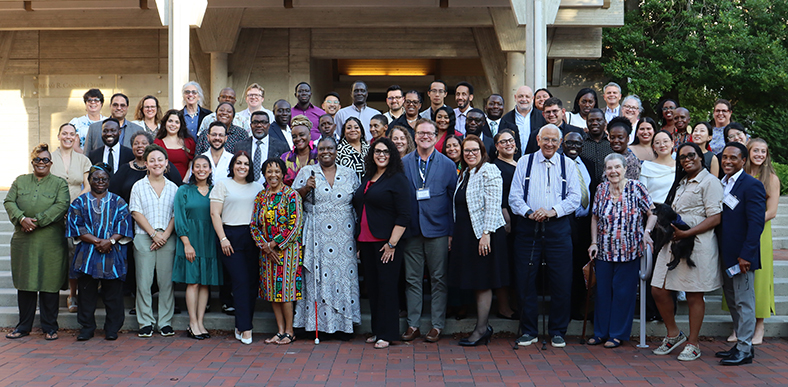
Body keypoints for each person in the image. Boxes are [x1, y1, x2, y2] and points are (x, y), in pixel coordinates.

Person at [508, 124, 581, 348]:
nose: (550, 144)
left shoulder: (567, 164)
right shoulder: (524, 162)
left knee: (561, 280)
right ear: (538, 139)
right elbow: (514, 197)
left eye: (554, 141)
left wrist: (552, 211)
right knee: (525, 279)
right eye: (546, 139)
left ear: (560, 144)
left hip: (558, 228)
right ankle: (529, 330)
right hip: (528, 227)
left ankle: (558, 331)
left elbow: (574, 198)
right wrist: (530, 213)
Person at [650, 142, 723, 361]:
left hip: (696, 244)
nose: (687, 159)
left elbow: (715, 217)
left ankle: (693, 342)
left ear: (701, 157)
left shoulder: (710, 182)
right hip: (673, 243)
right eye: (682, 157)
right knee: (658, 289)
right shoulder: (680, 183)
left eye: (691, 155)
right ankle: (673, 334)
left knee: (693, 294)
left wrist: (687, 233)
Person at [293, 136, 361, 339]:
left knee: (342, 277)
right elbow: (293, 199)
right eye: (322, 148)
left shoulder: (349, 174)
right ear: (317, 151)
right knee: (317, 278)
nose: (326, 152)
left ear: (336, 150)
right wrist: (306, 188)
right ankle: (317, 326)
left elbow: (358, 203)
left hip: (344, 235)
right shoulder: (307, 172)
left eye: (330, 148)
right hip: (316, 233)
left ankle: (343, 325)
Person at [588, 153, 656, 348]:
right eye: (609, 168)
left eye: (617, 167)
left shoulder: (637, 188)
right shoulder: (601, 190)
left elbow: (652, 213)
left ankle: (616, 334)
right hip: (604, 250)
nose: (613, 171)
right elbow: (594, 217)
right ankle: (600, 333)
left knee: (623, 293)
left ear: (625, 169)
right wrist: (593, 242)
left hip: (630, 250)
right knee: (602, 293)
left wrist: (646, 233)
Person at [3, 144, 70, 340]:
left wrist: (38, 221)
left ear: (51, 163)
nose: (41, 163)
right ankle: (23, 327)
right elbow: (9, 201)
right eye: (38, 160)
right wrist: (21, 218)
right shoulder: (20, 181)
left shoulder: (59, 183)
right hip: (24, 242)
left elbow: (62, 205)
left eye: (45, 160)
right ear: (32, 162)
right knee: (26, 284)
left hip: (51, 242)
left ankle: (50, 327)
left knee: (49, 284)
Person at [401, 119, 458, 343]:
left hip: (439, 230)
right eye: (421, 133)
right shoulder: (403, 163)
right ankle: (413, 325)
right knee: (412, 280)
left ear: (436, 137)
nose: (425, 137)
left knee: (439, 279)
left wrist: (451, 232)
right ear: (414, 137)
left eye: (429, 134)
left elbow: (453, 200)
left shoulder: (447, 164)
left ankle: (436, 325)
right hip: (412, 231)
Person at [352, 137, 412, 349]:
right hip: (366, 242)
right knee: (374, 288)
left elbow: (405, 214)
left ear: (392, 155)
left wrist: (392, 243)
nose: (381, 155)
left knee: (387, 288)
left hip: (387, 243)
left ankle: (388, 333)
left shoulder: (397, 179)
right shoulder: (369, 177)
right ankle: (377, 330)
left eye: (386, 152)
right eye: (377, 151)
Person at [451, 135, 507, 346]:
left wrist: (486, 234)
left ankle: (482, 329)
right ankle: (482, 327)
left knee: (483, 282)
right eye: (467, 151)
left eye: (475, 150)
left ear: (483, 152)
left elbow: (494, 204)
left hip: (485, 235)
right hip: (467, 234)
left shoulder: (489, 170)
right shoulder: (466, 172)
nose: (470, 154)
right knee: (476, 282)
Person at [67, 164, 133, 341]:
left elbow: (124, 224)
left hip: (112, 253)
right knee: (86, 294)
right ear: (89, 180)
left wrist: (110, 241)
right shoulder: (79, 202)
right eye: (96, 178)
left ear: (109, 181)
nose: (100, 182)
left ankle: (112, 329)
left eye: (104, 179)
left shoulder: (118, 201)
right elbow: (76, 226)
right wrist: (98, 241)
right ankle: (87, 328)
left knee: (113, 295)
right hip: (87, 254)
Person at [725, 139, 780, 345]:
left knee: (758, 280)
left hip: (759, 232)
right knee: (736, 282)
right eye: (755, 150)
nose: (759, 154)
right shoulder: (737, 176)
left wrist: (750, 221)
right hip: (737, 233)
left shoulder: (771, 178)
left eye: (763, 151)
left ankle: (759, 326)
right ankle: (738, 325)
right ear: (747, 153)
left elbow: (772, 211)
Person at [715, 142, 766, 366]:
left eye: (733, 158)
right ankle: (741, 343)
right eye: (725, 157)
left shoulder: (751, 185)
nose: (727, 161)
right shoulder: (721, 183)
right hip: (725, 255)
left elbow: (756, 224)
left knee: (745, 301)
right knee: (734, 301)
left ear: (743, 161)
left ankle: (745, 349)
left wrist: (746, 255)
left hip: (742, 257)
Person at [210, 151, 264, 344]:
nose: (242, 166)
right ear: (232, 165)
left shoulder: (258, 187)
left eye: (246, 164)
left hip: (253, 237)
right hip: (230, 236)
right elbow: (215, 214)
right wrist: (223, 238)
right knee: (240, 281)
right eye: (238, 163)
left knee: (251, 283)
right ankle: (245, 328)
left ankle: (241, 323)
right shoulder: (223, 184)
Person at [251, 158, 304, 345]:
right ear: (264, 174)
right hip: (266, 252)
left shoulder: (291, 195)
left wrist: (274, 244)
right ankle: (280, 331)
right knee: (272, 291)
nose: (273, 175)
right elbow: (254, 225)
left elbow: (295, 225)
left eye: (277, 171)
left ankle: (290, 331)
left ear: (283, 173)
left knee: (285, 291)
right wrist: (264, 246)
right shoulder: (260, 196)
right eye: (268, 171)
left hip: (287, 252)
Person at [129, 144, 179, 338]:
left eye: (160, 160)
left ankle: (165, 322)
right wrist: (153, 234)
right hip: (144, 237)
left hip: (167, 237)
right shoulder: (139, 186)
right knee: (143, 282)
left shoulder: (174, 187)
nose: (156, 163)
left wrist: (164, 235)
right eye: (152, 160)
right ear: (146, 164)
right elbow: (135, 211)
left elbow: (176, 214)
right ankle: (145, 322)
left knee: (166, 282)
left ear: (166, 163)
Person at [173, 156, 223, 340]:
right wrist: (186, 243)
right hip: (190, 239)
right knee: (192, 281)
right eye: (197, 167)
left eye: (205, 166)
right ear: (192, 170)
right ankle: (192, 322)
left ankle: (200, 322)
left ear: (210, 170)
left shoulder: (215, 191)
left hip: (209, 239)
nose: (201, 169)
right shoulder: (183, 191)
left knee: (204, 282)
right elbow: (179, 218)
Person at [51, 123, 92, 313]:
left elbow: (88, 186)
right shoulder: (49, 158)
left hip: (77, 213)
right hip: (53, 213)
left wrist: (74, 206)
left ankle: (73, 295)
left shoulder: (83, 160)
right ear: (58, 135)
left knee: (75, 253)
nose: (68, 136)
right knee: (58, 254)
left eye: (71, 134)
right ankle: (52, 291)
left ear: (76, 137)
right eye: (64, 133)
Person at [562, 131, 598, 321]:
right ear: (563, 144)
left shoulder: (589, 164)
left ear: (583, 145)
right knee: (565, 267)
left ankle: (578, 308)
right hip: (564, 222)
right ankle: (564, 310)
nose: (574, 146)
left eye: (578, 143)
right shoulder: (557, 164)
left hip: (585, 224)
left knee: (581, 266)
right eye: (570, 142)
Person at [491, 129, 519, 320]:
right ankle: (503, 307)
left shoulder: (521, 163)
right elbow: (497, 195)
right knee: (503, 263)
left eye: (511, 141)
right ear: (497, 147)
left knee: (516, 263)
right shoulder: (495, 167)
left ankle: (515, 303)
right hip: (505, 220)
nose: (508, 144)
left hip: (522, 219)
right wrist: (505, 217)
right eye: (503, 142)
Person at [236, 111, 291, 184]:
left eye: (263, 122)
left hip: (272, 190)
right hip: (245, 189)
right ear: (251, 125)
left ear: (268, 125)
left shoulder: (281, 146)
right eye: (255, 122)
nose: (259, 125)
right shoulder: (240, 146)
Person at [499, 86, 547, 158]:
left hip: (536, 160)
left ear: (532, 98)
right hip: (513, 162)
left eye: (527, 96)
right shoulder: (506, 119)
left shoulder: (542, 117)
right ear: (515, 98)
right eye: (520, 96)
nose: (524, 99)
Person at [154, 109, 195, 180]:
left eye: (177, 122)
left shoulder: (189, 142)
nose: (173, 124)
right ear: (165, 123)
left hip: (185, 184)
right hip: (164, 184)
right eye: (170, 121)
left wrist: (185, 181)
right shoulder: (158, 143)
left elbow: (192, 163)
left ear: (181, 125)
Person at [640, 130, 676, 203]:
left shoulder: (679, 166)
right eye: (657, 143)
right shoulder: (647, 166)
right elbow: (642, 194)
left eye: (665, 141)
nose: (662, 145)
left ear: (672, 143)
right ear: (654, 147)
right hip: (653, 209)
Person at [281, 115, 318, 186]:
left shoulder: (319, 155)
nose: (298, 139)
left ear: (309, 135)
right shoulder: (285, 158)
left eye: (301, 135)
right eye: (294, 137)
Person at [69, 88, 107, 153]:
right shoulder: (77, 122)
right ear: (85, 103)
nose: (92, 102)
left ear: (101, 103)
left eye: (96, 100)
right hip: (82, 160)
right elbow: (74, 146)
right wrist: (87, 159)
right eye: (89, 100)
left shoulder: (108, 122)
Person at [580, 109, 613, 180]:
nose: (595, 123)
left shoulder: (612, 143)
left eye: (599, 120)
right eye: (591, 120)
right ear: (586, 122)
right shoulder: (580, 144)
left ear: (605, 122)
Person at [336, 117, 370, 181]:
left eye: (356, 127)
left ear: (361, 131)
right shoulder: (338, 151)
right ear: (344, 132)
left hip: (368, 188)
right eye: (349, 128)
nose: (353, 130)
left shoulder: (369, 149)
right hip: (347, 188)